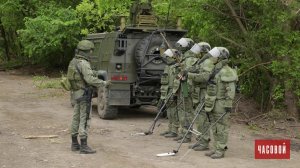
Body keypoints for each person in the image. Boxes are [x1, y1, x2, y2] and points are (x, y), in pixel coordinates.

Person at [67, 40, 109, 154]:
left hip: (77, 93)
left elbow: (81, 74)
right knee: (85, 120)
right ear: (86, 51)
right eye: (90, 51)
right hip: (84, 94)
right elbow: (89, 79)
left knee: (76, 118)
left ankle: (74, 144)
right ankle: (84, 146)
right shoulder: (84, 63)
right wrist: (104, 83)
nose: (91, 52)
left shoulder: (74, 61)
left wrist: (94, 72)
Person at [202, 47, 238, 159]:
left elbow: (231, 90)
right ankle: (216, 148)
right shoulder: (215, 70)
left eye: (215, 55)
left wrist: (228, 105)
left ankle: (220, 150)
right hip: (212, 103)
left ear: (221, 57)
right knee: (215, 126)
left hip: (221, 104)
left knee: (222, 127)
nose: (212, 57)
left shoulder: (227, 71)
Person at [172, 38, 195, 143]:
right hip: (181, 87)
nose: (180, 48)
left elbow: (190, 73)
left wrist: (183, 70)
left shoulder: (191, 59)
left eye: (182, 46)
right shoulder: (183, 58)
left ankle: (187, 134)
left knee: (187, 112)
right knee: (181, 111)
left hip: (187, 88)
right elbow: (180, 74)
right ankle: (182, 132)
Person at [159, 49, 180, 138]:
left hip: (173, 91)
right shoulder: (168, 66)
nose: (167, 58)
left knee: (174, 111)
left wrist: (175, 92)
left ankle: (174, 130)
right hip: (167, 91)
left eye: (168, 56)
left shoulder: (177, 67)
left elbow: (179, 80)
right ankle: (170, 129)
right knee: (169, 111)